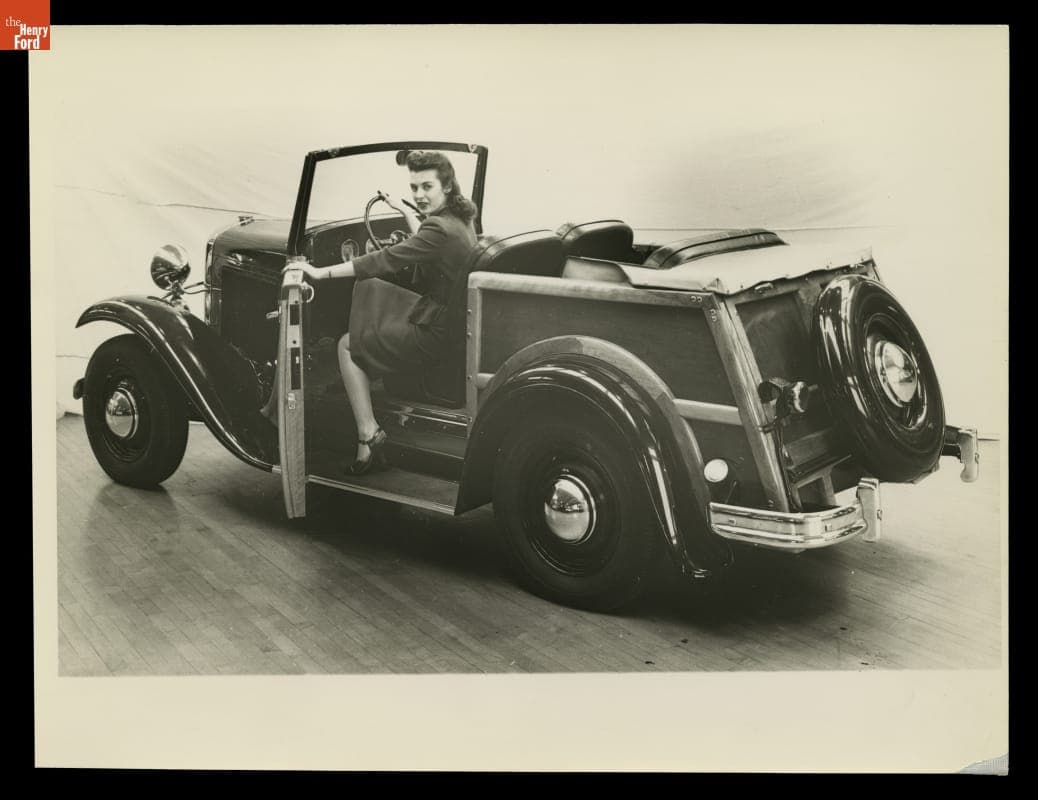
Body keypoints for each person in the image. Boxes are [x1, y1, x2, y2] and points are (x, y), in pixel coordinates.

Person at [263, 150, 478, 475]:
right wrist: (402, 212)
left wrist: (320, 273)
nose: (419, 195)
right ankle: (369, 365)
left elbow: (384, 259)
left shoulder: (439, 230)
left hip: (437, 332)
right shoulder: (460, 218)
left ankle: (369, 432)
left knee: (345, 345)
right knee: (371, 287)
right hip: (450, 317)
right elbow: (426, 238)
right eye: (414, 187)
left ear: (446, 187)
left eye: (427, 187)